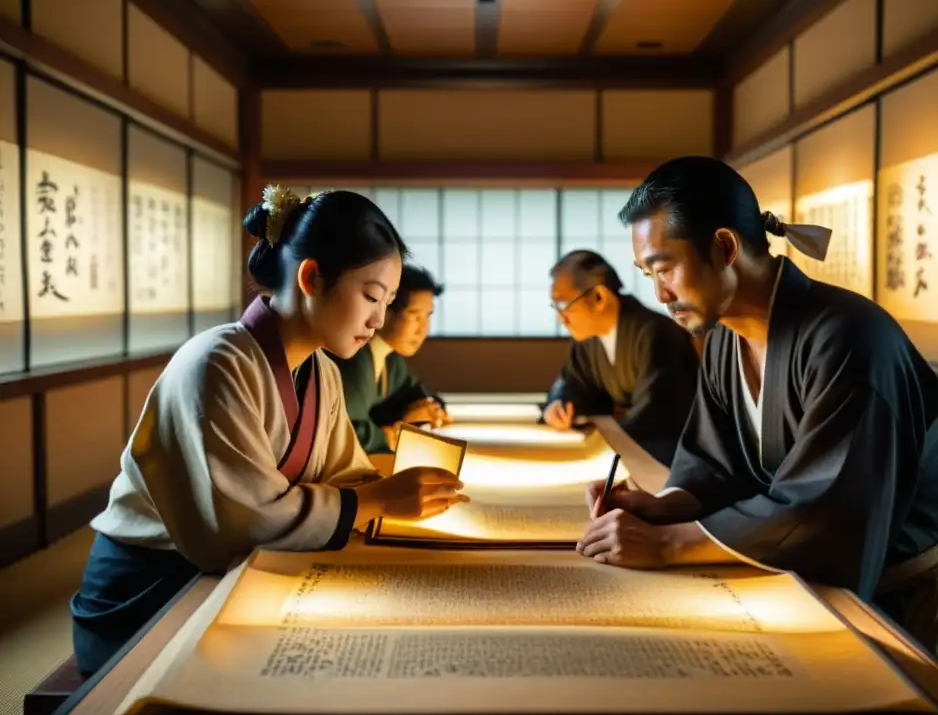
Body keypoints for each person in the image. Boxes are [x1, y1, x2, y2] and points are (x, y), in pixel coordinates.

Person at [576, 156, 938, 715]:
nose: (660, 294)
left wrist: (668, 545)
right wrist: (661, 507)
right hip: (847, 604)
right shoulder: (723, 343)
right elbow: (713, 466)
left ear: (724, 247)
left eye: (665, 268)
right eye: (648, 276)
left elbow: (827, 512)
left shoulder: (851, 339)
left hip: (931, 612)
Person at [69, 186, 469, 677]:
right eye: (370, 296)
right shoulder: (215, 364)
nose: (378, 320)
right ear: (311, 277)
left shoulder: (320, 370)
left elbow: (345, 474)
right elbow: (237, 527)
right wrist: (376, 500)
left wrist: (386, 492)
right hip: (153, 594)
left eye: (386, 302)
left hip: (236, 576)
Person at [542, 249, 700, 465]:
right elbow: (573, 384)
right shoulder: (587, 340)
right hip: (629, 450)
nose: (561, 319)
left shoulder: (656, 334)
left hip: (674, 457)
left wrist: (606, 444)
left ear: (599, 297)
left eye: (563, 305)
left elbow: (656, 413)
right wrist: (560, 406)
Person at [327, 260, 451, 455]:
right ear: (386, 308)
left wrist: (430, 407)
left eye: (427, 316)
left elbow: (414, 391)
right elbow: (343, 430)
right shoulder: (355, 357)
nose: (423, 329)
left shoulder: (391, 359)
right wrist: (391, 433)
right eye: (414, 316)